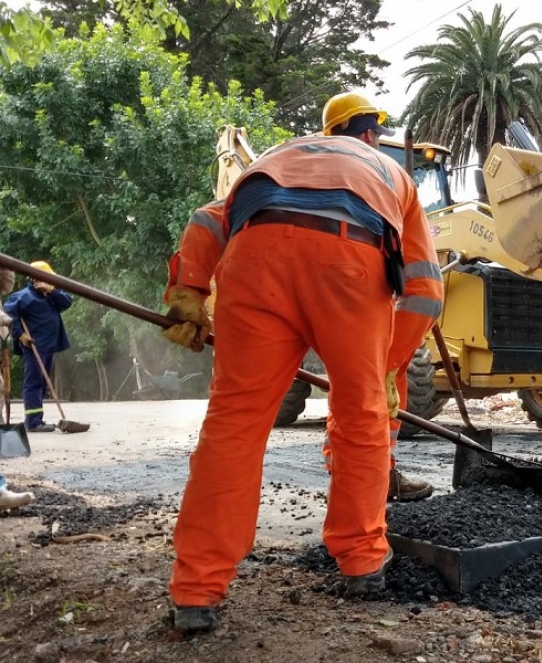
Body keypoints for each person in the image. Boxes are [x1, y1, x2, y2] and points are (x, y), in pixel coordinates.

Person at [161, 90, 443, 635]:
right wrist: (388, 364)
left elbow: (206, 219)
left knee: (234, 425)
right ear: (370, 136)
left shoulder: (279, 154)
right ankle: (362, 562)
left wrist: (189, 291)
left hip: (254, 256)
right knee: (362, 417)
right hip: (350, 263)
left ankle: (196, 590)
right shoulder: (391, 174)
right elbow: (426, 292)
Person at [2, 261, 73, 433]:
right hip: (34, 346)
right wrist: (21, 335)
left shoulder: (49, 295)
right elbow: (9, 314)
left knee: (42, 383)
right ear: (36, 278)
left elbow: (67, 302)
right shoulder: (24, 296)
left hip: (49, 346)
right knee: (33, 383)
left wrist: (51, 290)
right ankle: (33, 422)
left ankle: (37, 418)